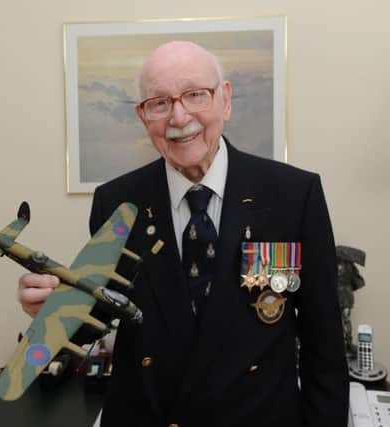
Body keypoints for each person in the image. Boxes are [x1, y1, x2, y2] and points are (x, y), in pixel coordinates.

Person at [18, 41, 349, 427]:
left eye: (195, 95)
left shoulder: (294, 195)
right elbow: (109, 307)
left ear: (224, 100)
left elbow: (324, 345)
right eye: (159, 102)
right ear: (144, 116)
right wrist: (56, 306)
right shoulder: (116, 201)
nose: (179, 116)